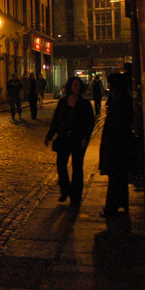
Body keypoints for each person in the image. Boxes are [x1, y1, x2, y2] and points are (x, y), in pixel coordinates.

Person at [44, 76, 96, 206]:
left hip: (78, 139)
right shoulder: (63, 102)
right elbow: (56, 120)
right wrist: (49, 136)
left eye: (78, 85)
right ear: (70, 86)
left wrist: (85, 137)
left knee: (77, 167)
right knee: (61, 165)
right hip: (64, 138)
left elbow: (89, 123)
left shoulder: (85, 104)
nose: (76, 87)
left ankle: (76, 196)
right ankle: (65, 190)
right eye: (74, 85)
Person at [98, 73, 136, 217]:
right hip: (119, 143)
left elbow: (117, 122)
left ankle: (112, 207)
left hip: (117, 144)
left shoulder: (119, 98)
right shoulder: (122, 95)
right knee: (119, 177)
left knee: (115, 176)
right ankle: (121, 203)